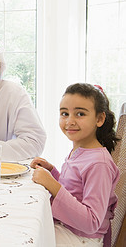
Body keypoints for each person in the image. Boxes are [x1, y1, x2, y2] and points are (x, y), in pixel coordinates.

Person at [30, 83, 120, 247]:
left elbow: (91, 222)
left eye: (80, 114)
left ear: (99, 119)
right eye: (64, 113)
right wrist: (53, 172)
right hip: (68, 229)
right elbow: (75, 188)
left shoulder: (99, 163)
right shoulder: (81, 151)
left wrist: (51, 184)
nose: (70, 121)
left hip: (81, 239)